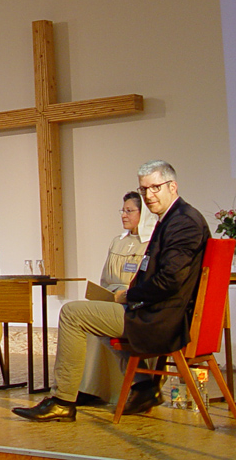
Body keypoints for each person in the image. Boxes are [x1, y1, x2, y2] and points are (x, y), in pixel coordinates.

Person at [13, 160, 210, 422]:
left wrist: (130, 296)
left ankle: (62, 401)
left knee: (72, 313)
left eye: (155, 188)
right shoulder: (173, 219)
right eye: (144, 190)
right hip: (158, 312)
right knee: (98, 315)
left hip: (163, 319)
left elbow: (170, 281)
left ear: (172, 186)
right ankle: (142, 386)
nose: (149, 196)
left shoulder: (183, 223)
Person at [75, 191, 156, 406]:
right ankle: (88, 387)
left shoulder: (152, 243)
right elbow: (105, 278)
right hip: (112, 299)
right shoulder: (117, 242)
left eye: (129, 211)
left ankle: (138, 384)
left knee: (95, 321)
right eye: (123, 210)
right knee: (87, 316)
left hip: (134, 303)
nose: (124, 215)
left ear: (144, 214)